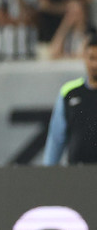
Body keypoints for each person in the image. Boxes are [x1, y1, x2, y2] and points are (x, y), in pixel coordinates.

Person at [43, 35, 97, 165]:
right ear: (84, 57)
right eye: (92, 58)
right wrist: (47, 172)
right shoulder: (69, 92)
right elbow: (56, 138)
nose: (95, 64)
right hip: (77, 173)